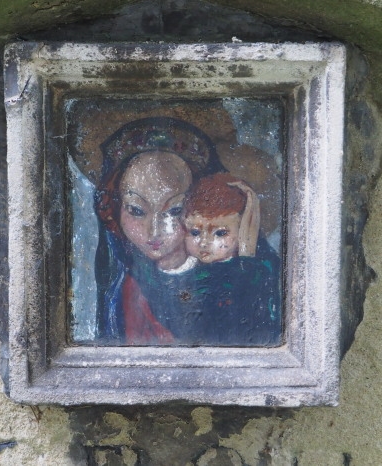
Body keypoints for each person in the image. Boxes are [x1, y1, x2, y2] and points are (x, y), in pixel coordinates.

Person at [93, 117, 224, 344]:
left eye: (175, 210)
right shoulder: (126, 286)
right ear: (114, 209)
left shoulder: (227, 280)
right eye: (136, 210)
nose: (154, 231)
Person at [182, 173, 282, 345]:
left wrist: (246, 253)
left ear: (244, 230)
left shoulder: (255, 271)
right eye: (195, 232)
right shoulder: (188, 271)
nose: (204, 243)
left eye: (220, 233)